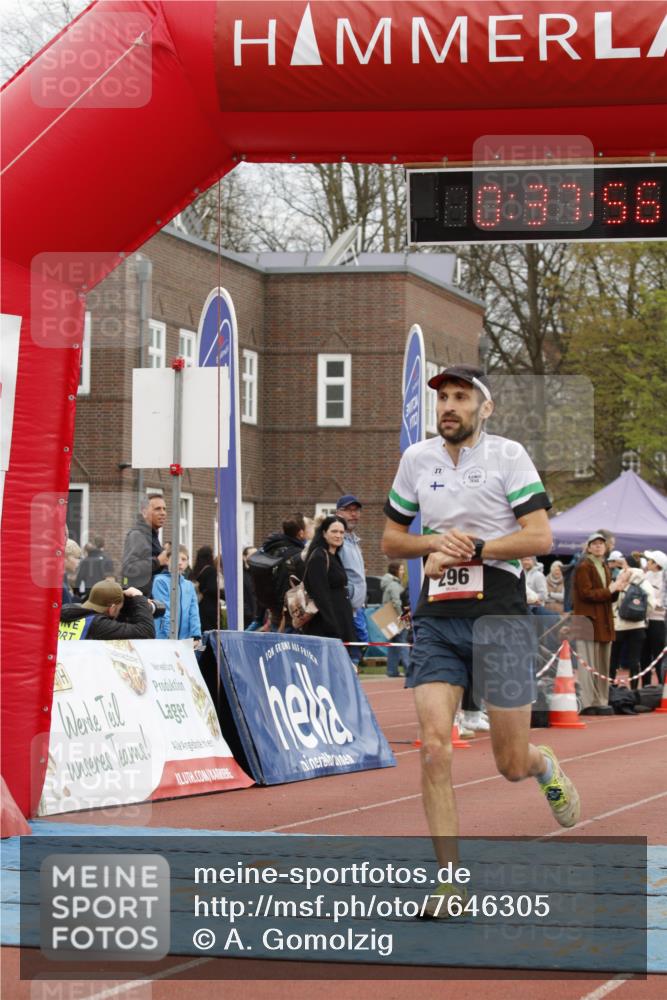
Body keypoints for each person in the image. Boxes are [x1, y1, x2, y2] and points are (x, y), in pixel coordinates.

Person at [381, 363, 579, 914]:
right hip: (439, 617)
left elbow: (540, 536)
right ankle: (449, 882)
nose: (448, 405)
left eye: (461, 397)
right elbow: (392, 539)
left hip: (502, 616)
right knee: (434, 750)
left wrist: (474, 549)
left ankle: (543, 765)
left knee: (509, 763)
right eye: (443, 397)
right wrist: (433, 546)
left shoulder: (507, 456)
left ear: (483, 409)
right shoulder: (415, 461)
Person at [572, 532, 631, 714]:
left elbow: (607, 596)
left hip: (603, 620)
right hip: (588, 620)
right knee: (588, 663)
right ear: (588, 547)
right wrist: (610, 589)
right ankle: (588, 701)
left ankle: (601, 699)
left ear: (606, 548)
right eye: (594, 544)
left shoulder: (604, 566)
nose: (598, 546)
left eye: (601, 544)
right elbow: (586, 594)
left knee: (602, 662)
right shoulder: (584, 566)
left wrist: (616, 589)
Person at [301, 515, 356, 645]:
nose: (338, 535)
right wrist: (333, 627)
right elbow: (321, 595)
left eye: (342, 532)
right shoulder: (319, 556)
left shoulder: (335, 556)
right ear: (324, 533)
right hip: (326, 627)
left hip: (341, 621)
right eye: (334, 531)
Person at [252, 514, 308, 630]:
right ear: (301, 533)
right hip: (290, 616)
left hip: (273, 611)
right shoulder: (297, 555)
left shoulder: (272, 548)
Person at [611, 557, 655, 690]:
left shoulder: (620, 579)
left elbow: (612, 601)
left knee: (614, 659)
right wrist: (641, 616)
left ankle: (611, 688)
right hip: (638, 626)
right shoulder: (644, 581)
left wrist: (615, 617)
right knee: (634, 661)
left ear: (626, 566)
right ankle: (634, 691)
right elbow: (651, 604)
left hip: (618, 625)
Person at [58, 580, 156, 640]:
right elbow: (146, 632)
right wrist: (138, 597)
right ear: (112, 609)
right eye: (119, 609)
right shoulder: (97, 624)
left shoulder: (64, 612)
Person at [336, 495, 369, 662]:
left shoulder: (354, 541)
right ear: (338, 512)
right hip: (344, 610)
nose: (353, 514)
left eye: (356, 510)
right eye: (348, 510)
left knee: (359, 650)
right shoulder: (337, 540)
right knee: (351, 655)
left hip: (357, 609)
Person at [121, 494, 169, 595]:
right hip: (139, 602)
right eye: (157, 509)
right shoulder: (137, 535)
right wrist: (158, 561)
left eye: (164, 509)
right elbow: (128, 568)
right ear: (144, 512)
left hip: (151, 601)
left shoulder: (152, 536)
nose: (163, 513)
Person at [152, 545, 202, 640]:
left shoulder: (189, 586)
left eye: (183, 559)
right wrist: (170, 635)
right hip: (165, 638)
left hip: (184, 640)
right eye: (176, 558)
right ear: (167, 560)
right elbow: (164, 609)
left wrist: (196, 635)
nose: (179, 563)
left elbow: (194, 612)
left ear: (187, 563)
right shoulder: (160, 581)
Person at [380, 561, 409, 677]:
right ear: (395, 571)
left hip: (388, 617)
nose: (403, 572)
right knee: (403, 643)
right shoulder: (394, 585)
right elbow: (397, 602)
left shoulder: (387, 584)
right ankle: (409, 669)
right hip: (396, 617)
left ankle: (391, 670)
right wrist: (403, 617)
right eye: (401, 569)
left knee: (393, 644)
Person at [643, 550, 667, 684]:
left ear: (656, 564)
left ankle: (662, 687)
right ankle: (644, 688)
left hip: (659, 621)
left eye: (650, 560)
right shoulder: (646, 576)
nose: (647, 562)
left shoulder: (664, 577)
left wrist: (653, 603)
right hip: (644, 621)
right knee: (644, 656)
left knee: (659, 656)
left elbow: (662, 603)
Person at [191, 545, 223, 632]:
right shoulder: (211, 570)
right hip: (211, 606)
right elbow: (212, 588)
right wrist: (223, 594)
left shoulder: (196, 570)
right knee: (211, 633)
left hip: (199, 604)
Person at [74, 536, 115, 600]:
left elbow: (79, 579)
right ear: (103, 545)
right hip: (103, 594)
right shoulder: (107, 559)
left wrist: (77, 595)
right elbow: (110, 579)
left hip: (88, 594)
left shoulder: (85, 560)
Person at [242, 545, 261, 630]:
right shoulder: (240, 575)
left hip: (257, 616)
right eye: (252, 554)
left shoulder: (258, 574)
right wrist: (248, 613)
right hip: (246, 618)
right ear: (244, 557)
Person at [62, 538, 81, 605]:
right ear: (64, 558)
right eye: (76, 558)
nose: (78, 562)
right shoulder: (60, 584)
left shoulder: (64, 579)